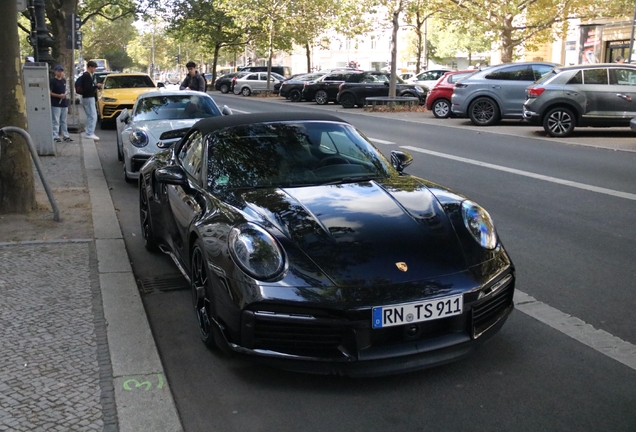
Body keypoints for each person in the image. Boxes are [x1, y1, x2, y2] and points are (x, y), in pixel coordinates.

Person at [78, 60, 103, 141]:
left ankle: (89, 132)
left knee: (90, 116)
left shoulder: (87, 76)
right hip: (88, 97)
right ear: (90, 67)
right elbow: (87, 88)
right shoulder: (87, 76)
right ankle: (89, 133)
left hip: (88, 97)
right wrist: (96, 86)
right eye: (94, 68)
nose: (94, 69)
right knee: (93, 116)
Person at [49, 65, 72, 143]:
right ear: (55, 71)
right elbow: (49, 92)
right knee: (56, 120)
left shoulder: (64, 81)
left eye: (61, 71)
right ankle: (55, 136)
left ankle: (66, 135)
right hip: (56, 103)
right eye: (59, 71)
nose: (60, 72)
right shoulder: (52, 81)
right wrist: (58, 96)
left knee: (64, 120)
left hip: (63, 103)